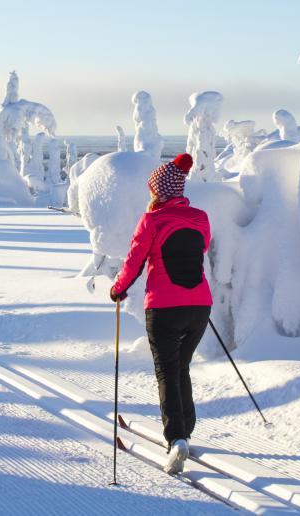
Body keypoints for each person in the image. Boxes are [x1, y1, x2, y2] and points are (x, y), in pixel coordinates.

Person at [109, 153, 212, 475]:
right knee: (182, 365)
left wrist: (118, 289)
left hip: (164, 307)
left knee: (167, 370)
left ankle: (176, 437)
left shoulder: (151, 220)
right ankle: (186, 429)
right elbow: (202, 249)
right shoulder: (200, 217)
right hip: (199, 305)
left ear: (158, 191)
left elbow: (135, 261)